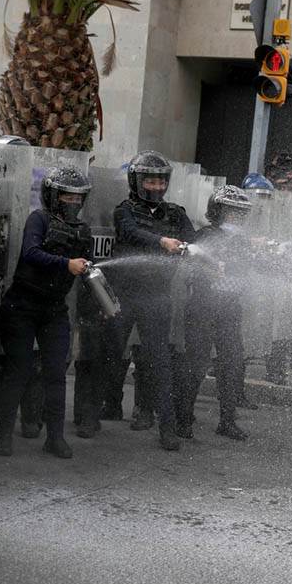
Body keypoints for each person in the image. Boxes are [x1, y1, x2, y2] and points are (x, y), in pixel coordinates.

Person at [0, 166, 93, 459]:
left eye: (78, 198)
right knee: (18, 369)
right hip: (22, 305)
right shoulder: (39, 219)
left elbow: (88, 264)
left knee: (56, 373)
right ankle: (2, 434)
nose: (73, 202)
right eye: (67, 196)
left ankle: (55, 438)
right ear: (53, 195)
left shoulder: (82, 230)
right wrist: (66, 264)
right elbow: (30, 252)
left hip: (54, 309)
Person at [103, 151, 196, 451]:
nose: (156, 187)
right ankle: (93, 414)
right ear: (136, 181)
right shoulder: (124, 211)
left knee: (160, 363)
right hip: (125, 295)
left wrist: (196, 251)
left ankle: (167, 428)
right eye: (150, 181)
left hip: (158, 298)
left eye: (160, 181)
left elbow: (193, 239)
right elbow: (130, 233)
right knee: (108, 354)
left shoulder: (176, 213)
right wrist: (161, 242)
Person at [173, 185, 253, 441]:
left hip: (230, 308)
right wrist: (210, 269)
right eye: (231, 212)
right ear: (217, 212)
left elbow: (246, 270)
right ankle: (183, 419)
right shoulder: (204, 235)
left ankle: (227, 420)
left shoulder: (242, 241)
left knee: (231, 363)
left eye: (241, 213)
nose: (236, 218)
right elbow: (190, 268)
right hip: (203, 308)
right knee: (195, 364)